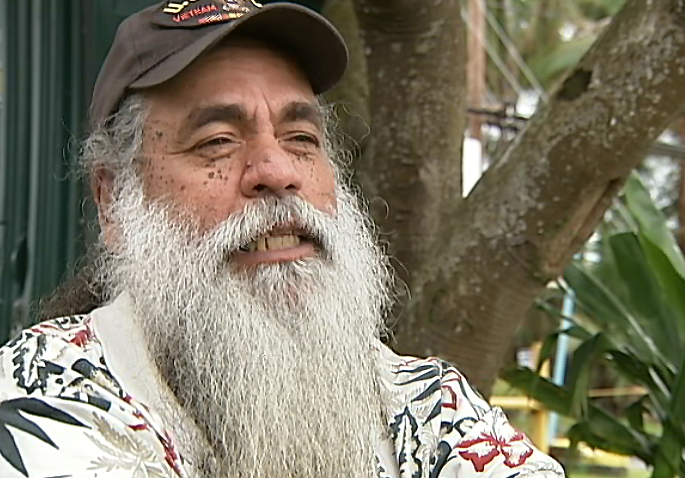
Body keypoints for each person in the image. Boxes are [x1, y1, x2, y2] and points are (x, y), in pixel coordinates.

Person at [0, 1, 565, 477]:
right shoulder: (41, 397)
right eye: (217, 141)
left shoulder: (426, 405)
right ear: (112, 201)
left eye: (300, 137)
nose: (277, 170)